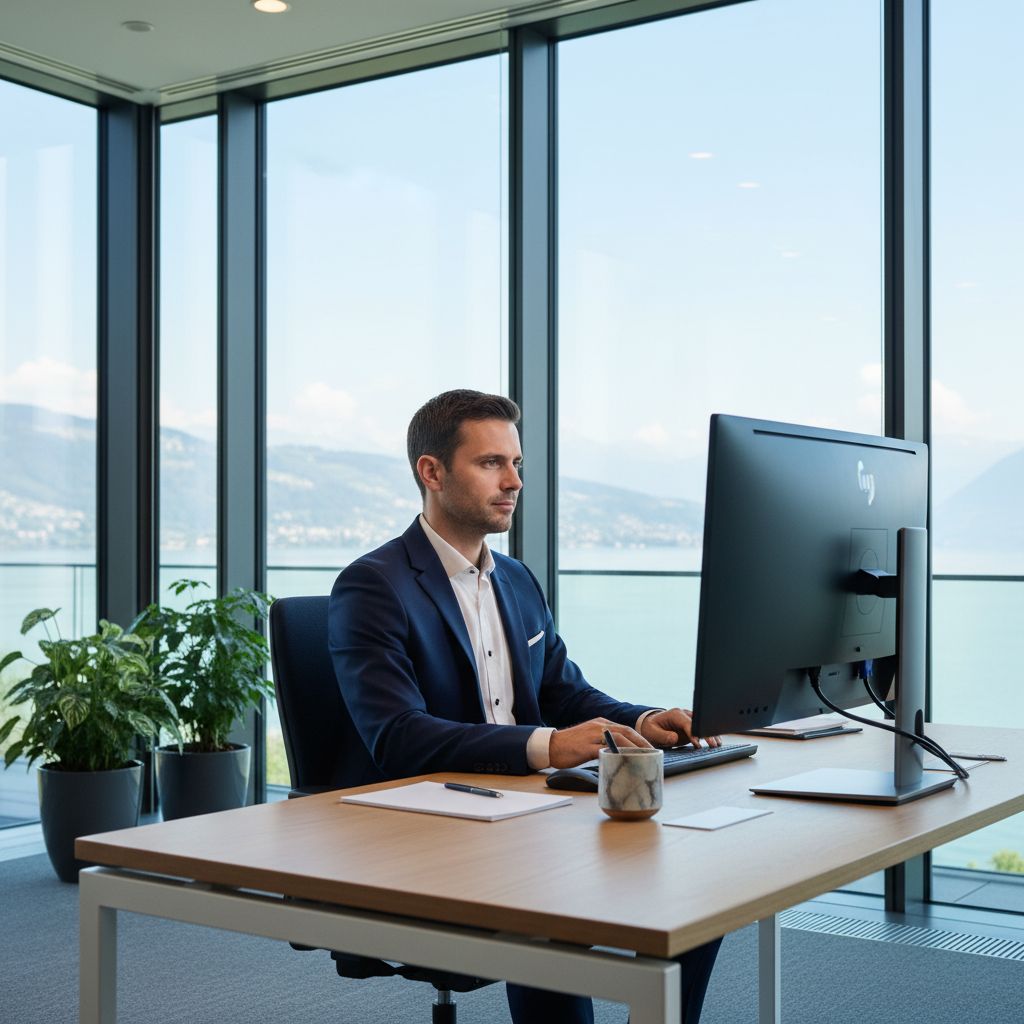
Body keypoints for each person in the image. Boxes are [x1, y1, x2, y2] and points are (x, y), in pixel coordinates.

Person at [328, 389, 722, 1024]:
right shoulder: (373, 585)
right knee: (555, 913)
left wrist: (643, 721)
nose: (513, 481)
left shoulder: (516, 578)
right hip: (438, 828)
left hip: (532, 810)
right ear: (431, 472)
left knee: (697, 888)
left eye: (517, 464)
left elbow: (566, 692)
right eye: (491, 464)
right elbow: (398, 737)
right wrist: (547, 745)